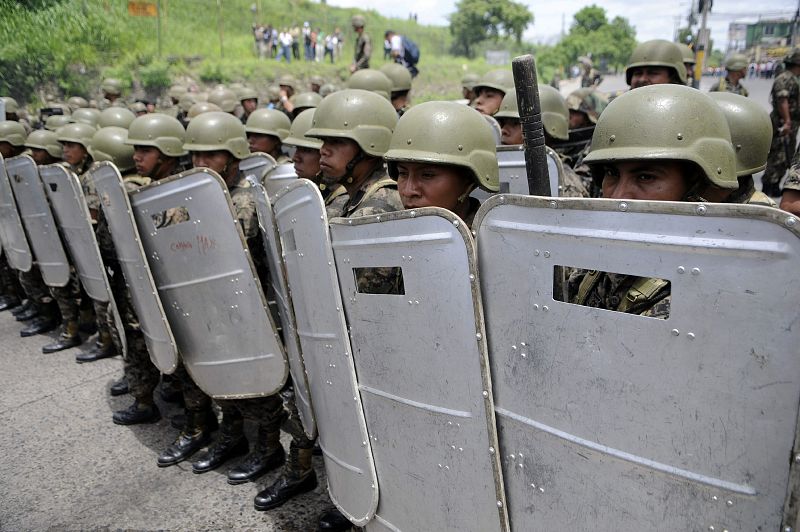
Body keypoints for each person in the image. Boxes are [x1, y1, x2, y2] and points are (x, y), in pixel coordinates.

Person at [305, 87, 402, 532]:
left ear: (369, 148)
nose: (322, 152)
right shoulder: (348, 194)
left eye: (336, 143)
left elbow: (367, 291)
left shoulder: (380, 202)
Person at [571, 84, 739, 316]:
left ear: (699, 184)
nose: (619, 195)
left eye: (645, 177)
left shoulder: (712, 292)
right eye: (612, 173)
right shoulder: (601, 252)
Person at [108, 114, 191, 425]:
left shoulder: (182, 193)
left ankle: (197, 417)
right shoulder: (140, 190)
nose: (136, 156)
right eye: (136, 149)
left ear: (167, 152)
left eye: (146, 150)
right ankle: (149, 399)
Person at [385, 101, 498, 227]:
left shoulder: (494, 241)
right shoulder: (389, 234)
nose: (408, 191)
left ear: (469, 179)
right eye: (403, 173)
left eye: (427, 175)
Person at [494, 88, 589, 198]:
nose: (504, 130)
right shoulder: (498, 168)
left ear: (546, 131)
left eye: (515, 123)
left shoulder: (563, 181)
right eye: (503, 123)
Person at [283, 108, 346, 208]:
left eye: (306, 150)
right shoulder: (305, 191)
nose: (295, 158)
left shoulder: (343, 201)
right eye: (296, 148)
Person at [761, 48, 800, 198]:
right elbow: (782, 100)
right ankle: (768, 186)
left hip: (790, 124)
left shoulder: (793, 78)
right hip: (782, 124)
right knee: (777, 156)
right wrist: (788, 122)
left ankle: (775, 184)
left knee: (786, 156)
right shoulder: (784, 78)